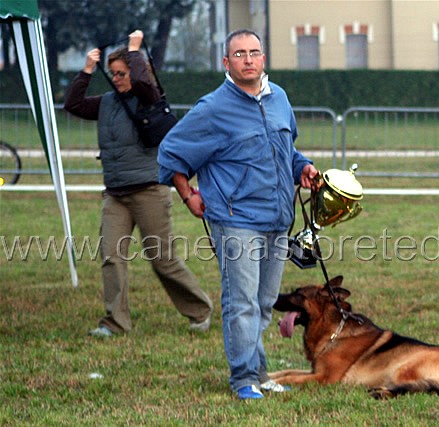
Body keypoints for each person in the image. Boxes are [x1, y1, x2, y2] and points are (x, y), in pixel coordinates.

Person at [157, 29, 319, 400]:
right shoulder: (212, 108)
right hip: (235, 220)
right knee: (242, 302)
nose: (248, 59)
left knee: (263, 302)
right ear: (226, 62)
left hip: (279, 218)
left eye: (255, 52)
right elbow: (170, 152)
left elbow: (287, 150)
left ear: (264, 59)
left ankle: (259, 373)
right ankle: (243, 378)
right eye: (240, 54)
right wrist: (187, 194)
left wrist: (304, 168)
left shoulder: (279, 98)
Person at [64, 30, 213, 338]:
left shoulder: (148, 98)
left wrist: (134, 50)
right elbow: (73, 104)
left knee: (162, 259)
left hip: (149, 190)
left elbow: (145, 83)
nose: (117, 78)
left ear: (134, 71)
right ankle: (115, 322)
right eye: (114, 74)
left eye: (123, 73)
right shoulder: (105, 102)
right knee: (111, 257)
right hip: (116, 194)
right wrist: (87, 70)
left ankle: (200, 310)